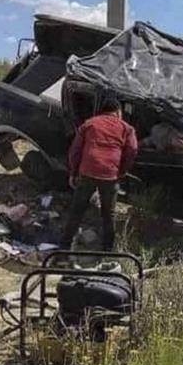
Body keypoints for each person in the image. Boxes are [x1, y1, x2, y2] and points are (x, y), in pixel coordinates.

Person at [62, 96, 138, 251]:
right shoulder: (126, 128)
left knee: (77, 210)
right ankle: (107, 250)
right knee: (108, 215)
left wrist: (73, 172)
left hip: (87, 171)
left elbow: (75, 151)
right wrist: (121, 170)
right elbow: (132, 150)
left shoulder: (89, 124)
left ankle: (64, 245)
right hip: (110, 174)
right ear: (118, 112)